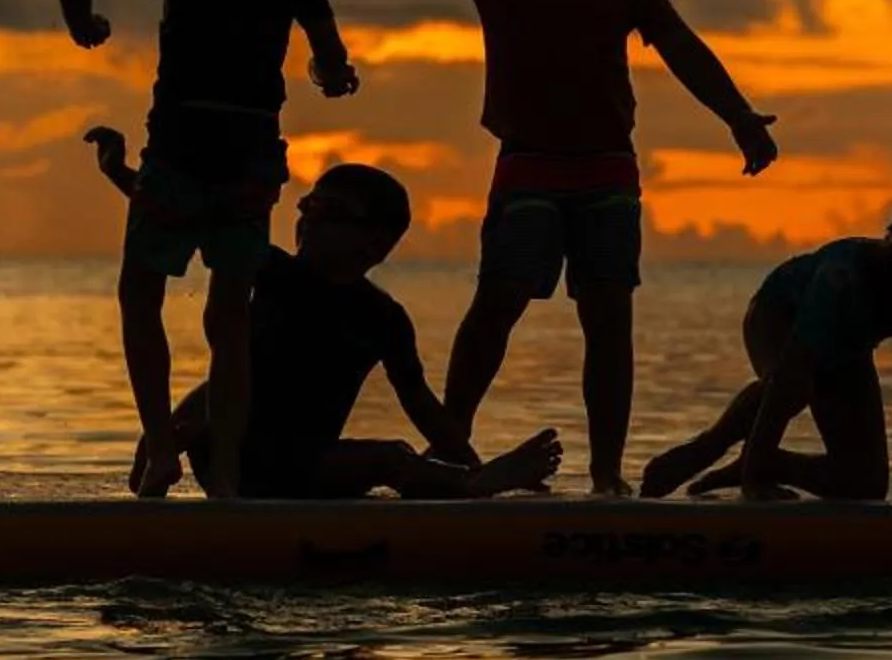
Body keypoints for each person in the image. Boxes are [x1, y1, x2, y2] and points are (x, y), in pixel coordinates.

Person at [385, 0, 779, 494]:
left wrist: (740, 117)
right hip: (528, 165)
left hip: (607, 172)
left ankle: (606, 478)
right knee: (495, 306)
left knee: (609, 322)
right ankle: (451, 450)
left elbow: (681, 45)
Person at [61, 0, 358, 497]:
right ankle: (224, 475)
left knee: (141, 295)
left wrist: (87, 28)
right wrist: (332, 75)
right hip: (252, 149)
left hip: (180, 144)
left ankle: (162, 447)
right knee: (230, 319)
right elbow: (328, 48)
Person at [85, 134, 563, 498]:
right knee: (192, 414)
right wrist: (118, 172)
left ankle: (473, 484)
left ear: (376, 244)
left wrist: (468, 464)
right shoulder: (272, 270)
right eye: (307, 205)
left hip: (308, 464)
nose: (308, 217)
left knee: (391, 457)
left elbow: (424, 409)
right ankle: (477, 485)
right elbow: (194, 221)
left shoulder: (382, 317)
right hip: (232, 455)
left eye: (329, 211)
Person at [640, 177, 892, 504]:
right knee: (793, 386)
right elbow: (792, 374)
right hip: (780, 312)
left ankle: (772, 463)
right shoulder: (844, 278)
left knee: (865, 486)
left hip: (848, 344)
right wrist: (755, 485)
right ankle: (711, 448)